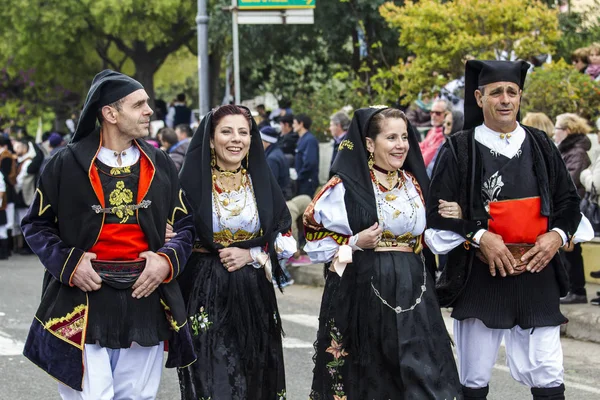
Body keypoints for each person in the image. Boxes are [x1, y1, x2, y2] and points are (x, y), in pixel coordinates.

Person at [20, 70, 196, 399]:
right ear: (110, 113)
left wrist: (165, 262)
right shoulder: (64, 164)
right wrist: (70, 264)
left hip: (145, 296)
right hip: (82, 298)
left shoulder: (159, 164)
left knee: (137, 397)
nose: (149, 111)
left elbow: (186, 226)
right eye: (139, 104)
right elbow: (36, 225)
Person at [426, 60, 582, 400]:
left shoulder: (541, 144)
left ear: (520, 97)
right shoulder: (459, 148)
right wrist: (480, 235)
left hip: (536, 273)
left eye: (512, 92)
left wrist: (556, 236)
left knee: (547, 370)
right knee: (475, 375)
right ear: (480, 98)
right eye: (496, 92)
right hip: (481, 276)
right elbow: (435, 216)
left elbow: (569, 203)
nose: (505, 99)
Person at [305, 106, 461, 399]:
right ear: (368, 143)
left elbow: (434, 237)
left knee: (422, 370)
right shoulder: (344, 188)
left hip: (414, 286)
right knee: (372, 374)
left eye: (404, 137)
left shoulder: (414, 184)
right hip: (364, 287)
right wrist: (354, 242)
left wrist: (457, 216)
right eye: (391, 137)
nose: (401, 145)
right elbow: (314, 241)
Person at [177, 104, 296, 399]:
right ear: (210, 138)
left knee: (256, 372)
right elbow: (175, 234)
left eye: (244, 132)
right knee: (214, 376)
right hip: (206, 291)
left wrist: (253, 254)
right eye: (226, 131)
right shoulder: (190, 185)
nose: (236, 139)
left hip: (254, 290)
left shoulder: (262, 183)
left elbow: (286, 240)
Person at [554, 113, 592, 305]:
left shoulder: (576, 152)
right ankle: (571, 289)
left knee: (572, 251)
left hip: (572, 209)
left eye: (557, 128)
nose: (554, 133)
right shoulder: (568, 150)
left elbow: (570, 181)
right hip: (567, 208)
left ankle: (577, 291)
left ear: (567, 131)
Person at [419, 98, 451, 171]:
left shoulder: (445, 135)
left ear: (447, 115)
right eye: (431, 112)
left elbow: (425, 160)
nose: (433, 115)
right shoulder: (433, 130)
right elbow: (421, 146)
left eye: (438, 113)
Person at [261, 126, 292, 200]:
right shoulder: (276, 152)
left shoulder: (272, 159)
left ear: (267, 142)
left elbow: (271, 184)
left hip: (279, 198)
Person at [293, 114, 319, 197]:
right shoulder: (302, 139)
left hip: (307, 182)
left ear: (301, 124)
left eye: (294, 123)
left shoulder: (310, 140)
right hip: (302, 181)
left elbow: (310, 162)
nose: (293, 125)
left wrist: (299, 176)